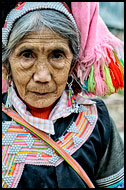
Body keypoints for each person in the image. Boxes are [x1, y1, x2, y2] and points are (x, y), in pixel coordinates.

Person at [2, 2, 124, 188]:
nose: (42, 76)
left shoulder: (96, 119)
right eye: (27, 55)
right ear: (6, 66)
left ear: (72, 65)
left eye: (57, 55)